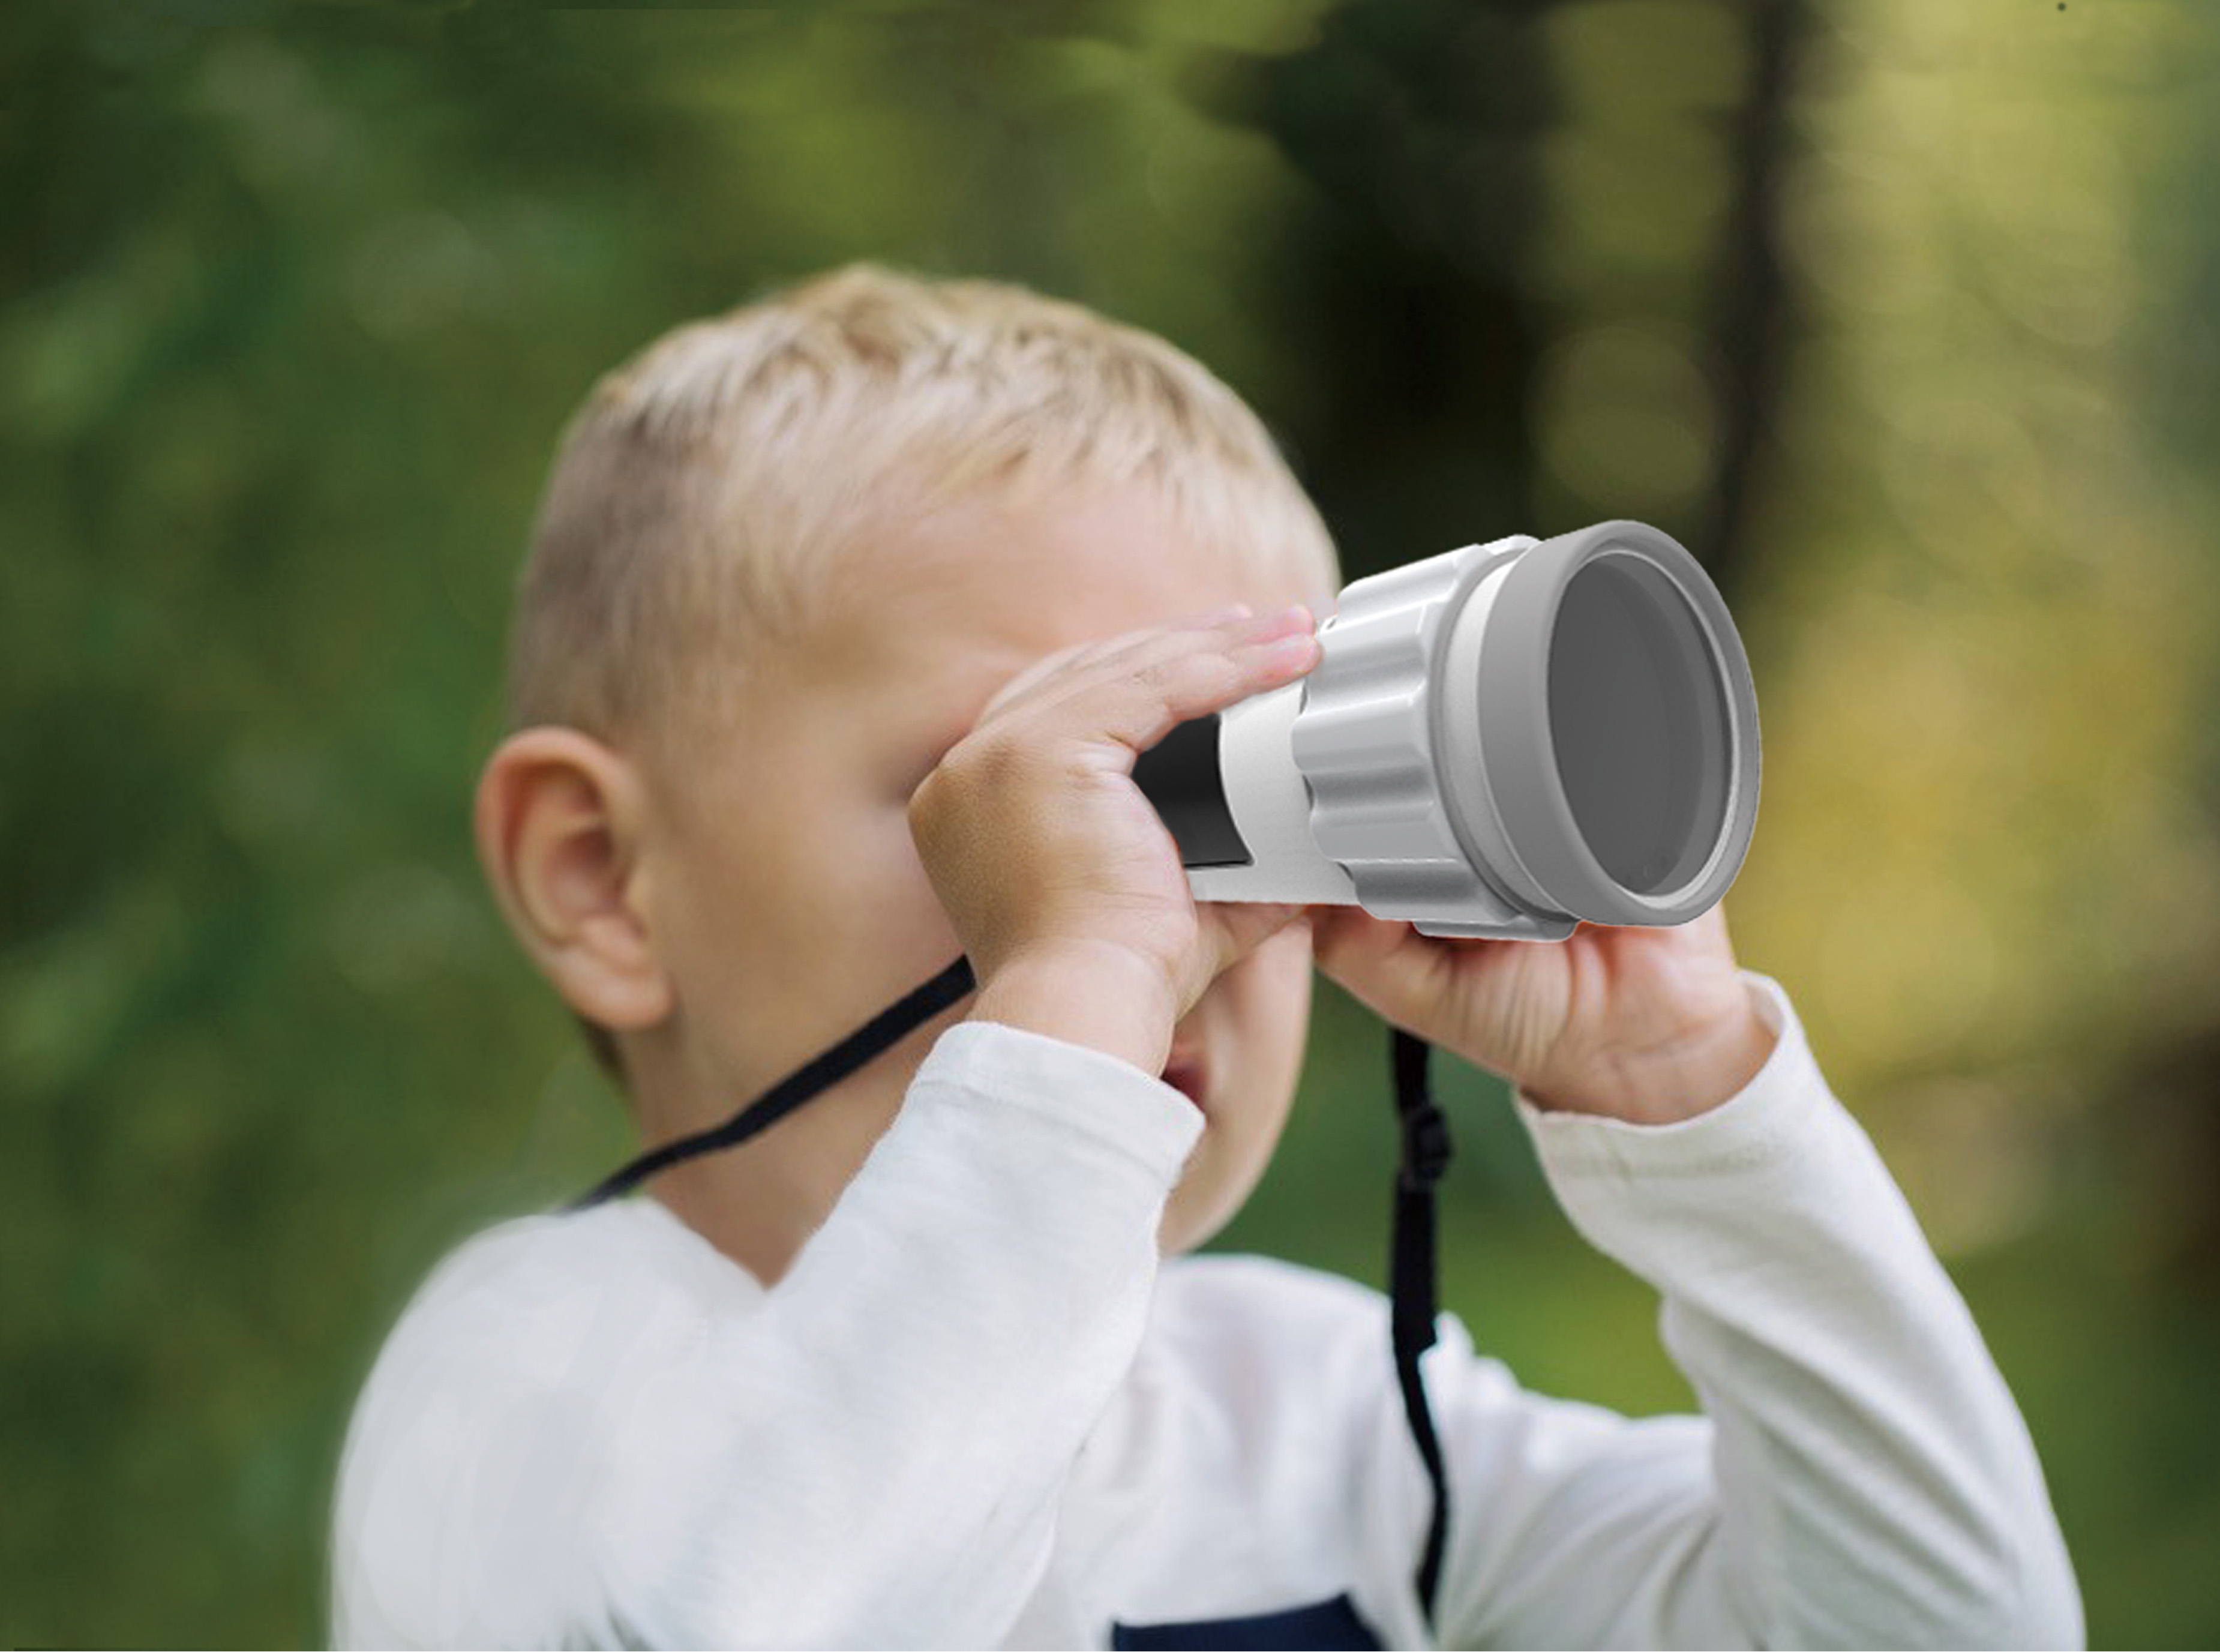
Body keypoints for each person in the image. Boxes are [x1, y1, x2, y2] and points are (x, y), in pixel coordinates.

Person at [328, 263, 2082, 1648]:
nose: (1159, 906)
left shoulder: (1313, 1412)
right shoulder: (518, 1382)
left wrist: (1688, 1106)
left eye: (1218, 787)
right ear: (603, 881)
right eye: (1005, 786)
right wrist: (1067, 997)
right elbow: (758, 1615)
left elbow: (1938, 1630)